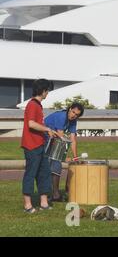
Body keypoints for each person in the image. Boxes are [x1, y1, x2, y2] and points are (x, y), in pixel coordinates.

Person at [21, 79, 57, 214]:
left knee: (44, 173)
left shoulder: (38, 105)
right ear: (43, 91)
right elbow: (31, 124)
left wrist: (47, 132)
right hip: (31, 146)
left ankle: (44, 203)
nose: (48, 93)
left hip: (40, 144)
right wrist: (47, 129)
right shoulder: (32, 105)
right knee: (31, 173)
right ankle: (27, 205)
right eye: (47, 90)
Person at [44, 103, 84, 201]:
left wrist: (75, 157)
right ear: (69, 109)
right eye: (73, 112)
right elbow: (61, 137)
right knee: (55, 163)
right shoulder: (61, 116)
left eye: (77, 114)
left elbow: (73, 139)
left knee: (55, 164)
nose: (74, 115)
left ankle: (53, 194)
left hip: (53, 138)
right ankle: (55, 194)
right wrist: (64, 158)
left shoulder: (73, 121)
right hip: (42, 137)